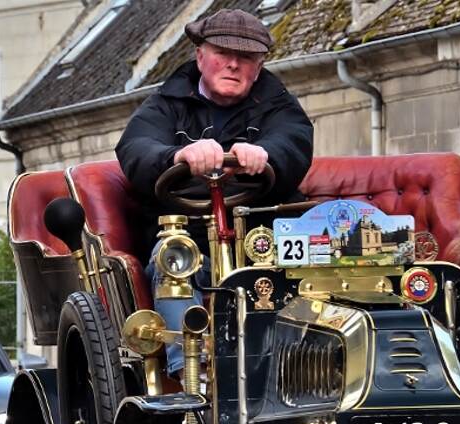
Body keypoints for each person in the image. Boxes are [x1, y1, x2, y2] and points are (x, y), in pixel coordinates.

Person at [116, 8, 313, 377]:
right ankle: (190, 372)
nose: (233, 65)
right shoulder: (166, 105)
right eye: (223, 53)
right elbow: (136, 148)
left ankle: (294, 366)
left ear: (259, 66)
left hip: (261, 239)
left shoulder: (278, 104)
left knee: (306, 255)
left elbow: (296, 141)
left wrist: (267, 152)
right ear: (200, 56)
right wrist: (177, 155)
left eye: (246, 58)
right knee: (171, 255)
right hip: (188, 243)